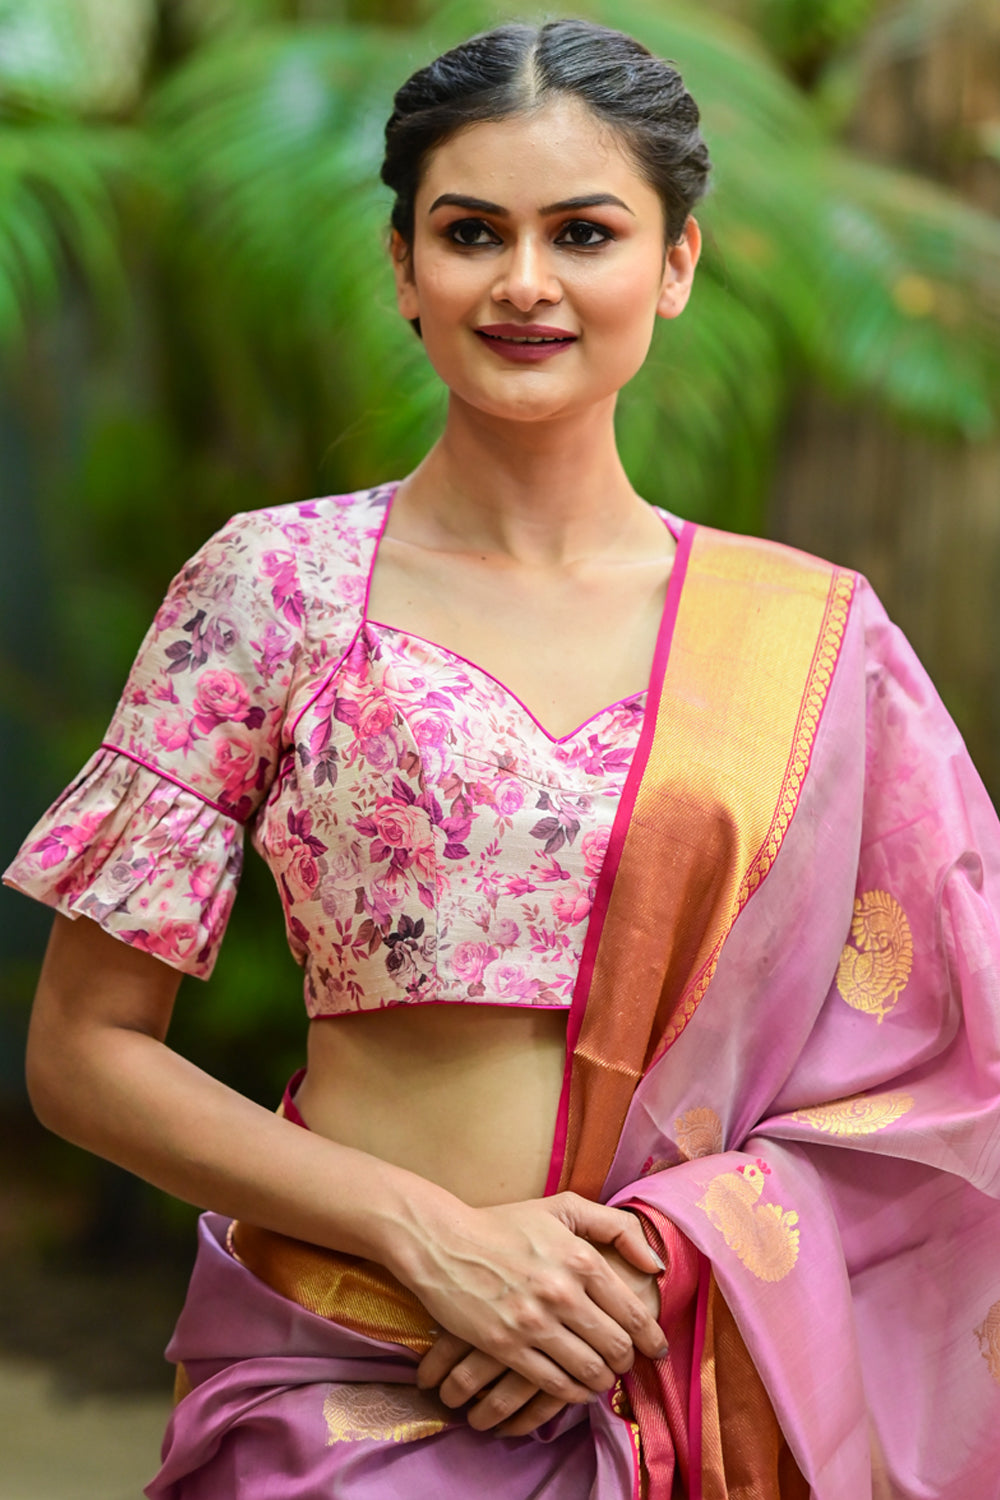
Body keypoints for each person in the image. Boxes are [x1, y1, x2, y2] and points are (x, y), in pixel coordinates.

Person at [4, 17, 1000, 1499]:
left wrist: (649, 1267)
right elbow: (85, 1052)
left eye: (584, 232)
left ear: (673, 266)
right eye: (473, 232)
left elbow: (944, 1075)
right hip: (341, 1369)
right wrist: (438, 1244)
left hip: (676, 1368)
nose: (526, 281)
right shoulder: (273, 586)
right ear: (406, 270)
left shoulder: (815, 641)